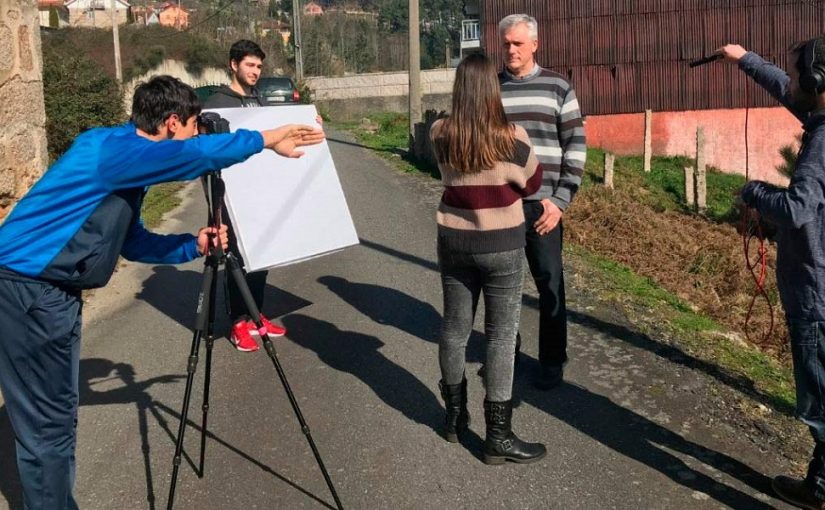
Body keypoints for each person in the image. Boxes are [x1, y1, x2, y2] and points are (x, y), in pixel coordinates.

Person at [0, 75, 324, 509]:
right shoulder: (113, 152)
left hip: (50, 294)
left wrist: (193, 244)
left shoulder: (122, 157)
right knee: (48, 427)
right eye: (191, 126)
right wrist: (266, 139)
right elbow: (191, 156)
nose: (193, 135)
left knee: (56, 417)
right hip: (30, 292)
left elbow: (129, 240)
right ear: (172, 122)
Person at [719, 37, 825, 510]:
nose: (794, 80)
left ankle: (820, 488)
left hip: (816, 294)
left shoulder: (822, 142)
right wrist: (745, 60)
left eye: (800, 73)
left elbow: (798, 208)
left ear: (817, 82)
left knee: (819, 402)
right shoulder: (820, 118)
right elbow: (786, 89)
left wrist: (754, 193)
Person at [431, 53, 546, 465]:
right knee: (500, 336)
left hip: (455, 242)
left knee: (455, 327)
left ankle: (453, 418)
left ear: (459, 87)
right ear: (491, 89)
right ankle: (497, 436)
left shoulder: (440, 132)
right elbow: (533, 182)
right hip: (502, 245)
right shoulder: (512, 137)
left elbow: (441, 171)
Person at [498, 14, 587, 390]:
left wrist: (560, 201)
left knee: (550, 285)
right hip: (501, 206)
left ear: (535, 44)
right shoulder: (491, 88)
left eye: (518, 43)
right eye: (505, 44)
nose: (511, 50)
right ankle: (507, 354)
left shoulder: (558, 87)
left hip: (544, 208)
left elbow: (576, 146)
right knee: (503, 287)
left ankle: (552, 360)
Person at [204, 39, 279, 352]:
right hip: (230, 197)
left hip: (260, 191)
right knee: (235, 258)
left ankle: (255, 314)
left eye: (259, 66)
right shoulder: (217, 103)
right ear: (233, 65)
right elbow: (206, 154)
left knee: (261, 258)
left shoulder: (256, 100)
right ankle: (237, 322)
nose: (256, 71)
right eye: (250, 65)